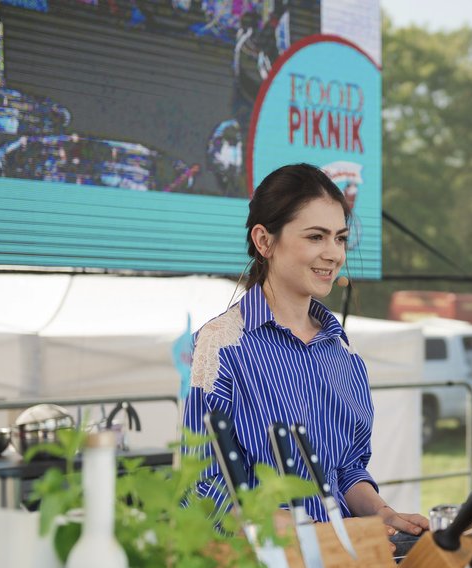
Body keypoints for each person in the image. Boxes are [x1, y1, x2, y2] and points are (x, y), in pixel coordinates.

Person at [183, 162, 428, 539]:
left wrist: (381, 513)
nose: (333, 253)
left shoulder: (342, 350)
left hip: (341, 563)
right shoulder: (222, 344)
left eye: (340, 238)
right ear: (264, 241)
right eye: (316, 237)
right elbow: (205, 488)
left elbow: (347, 468)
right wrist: (310, 532)